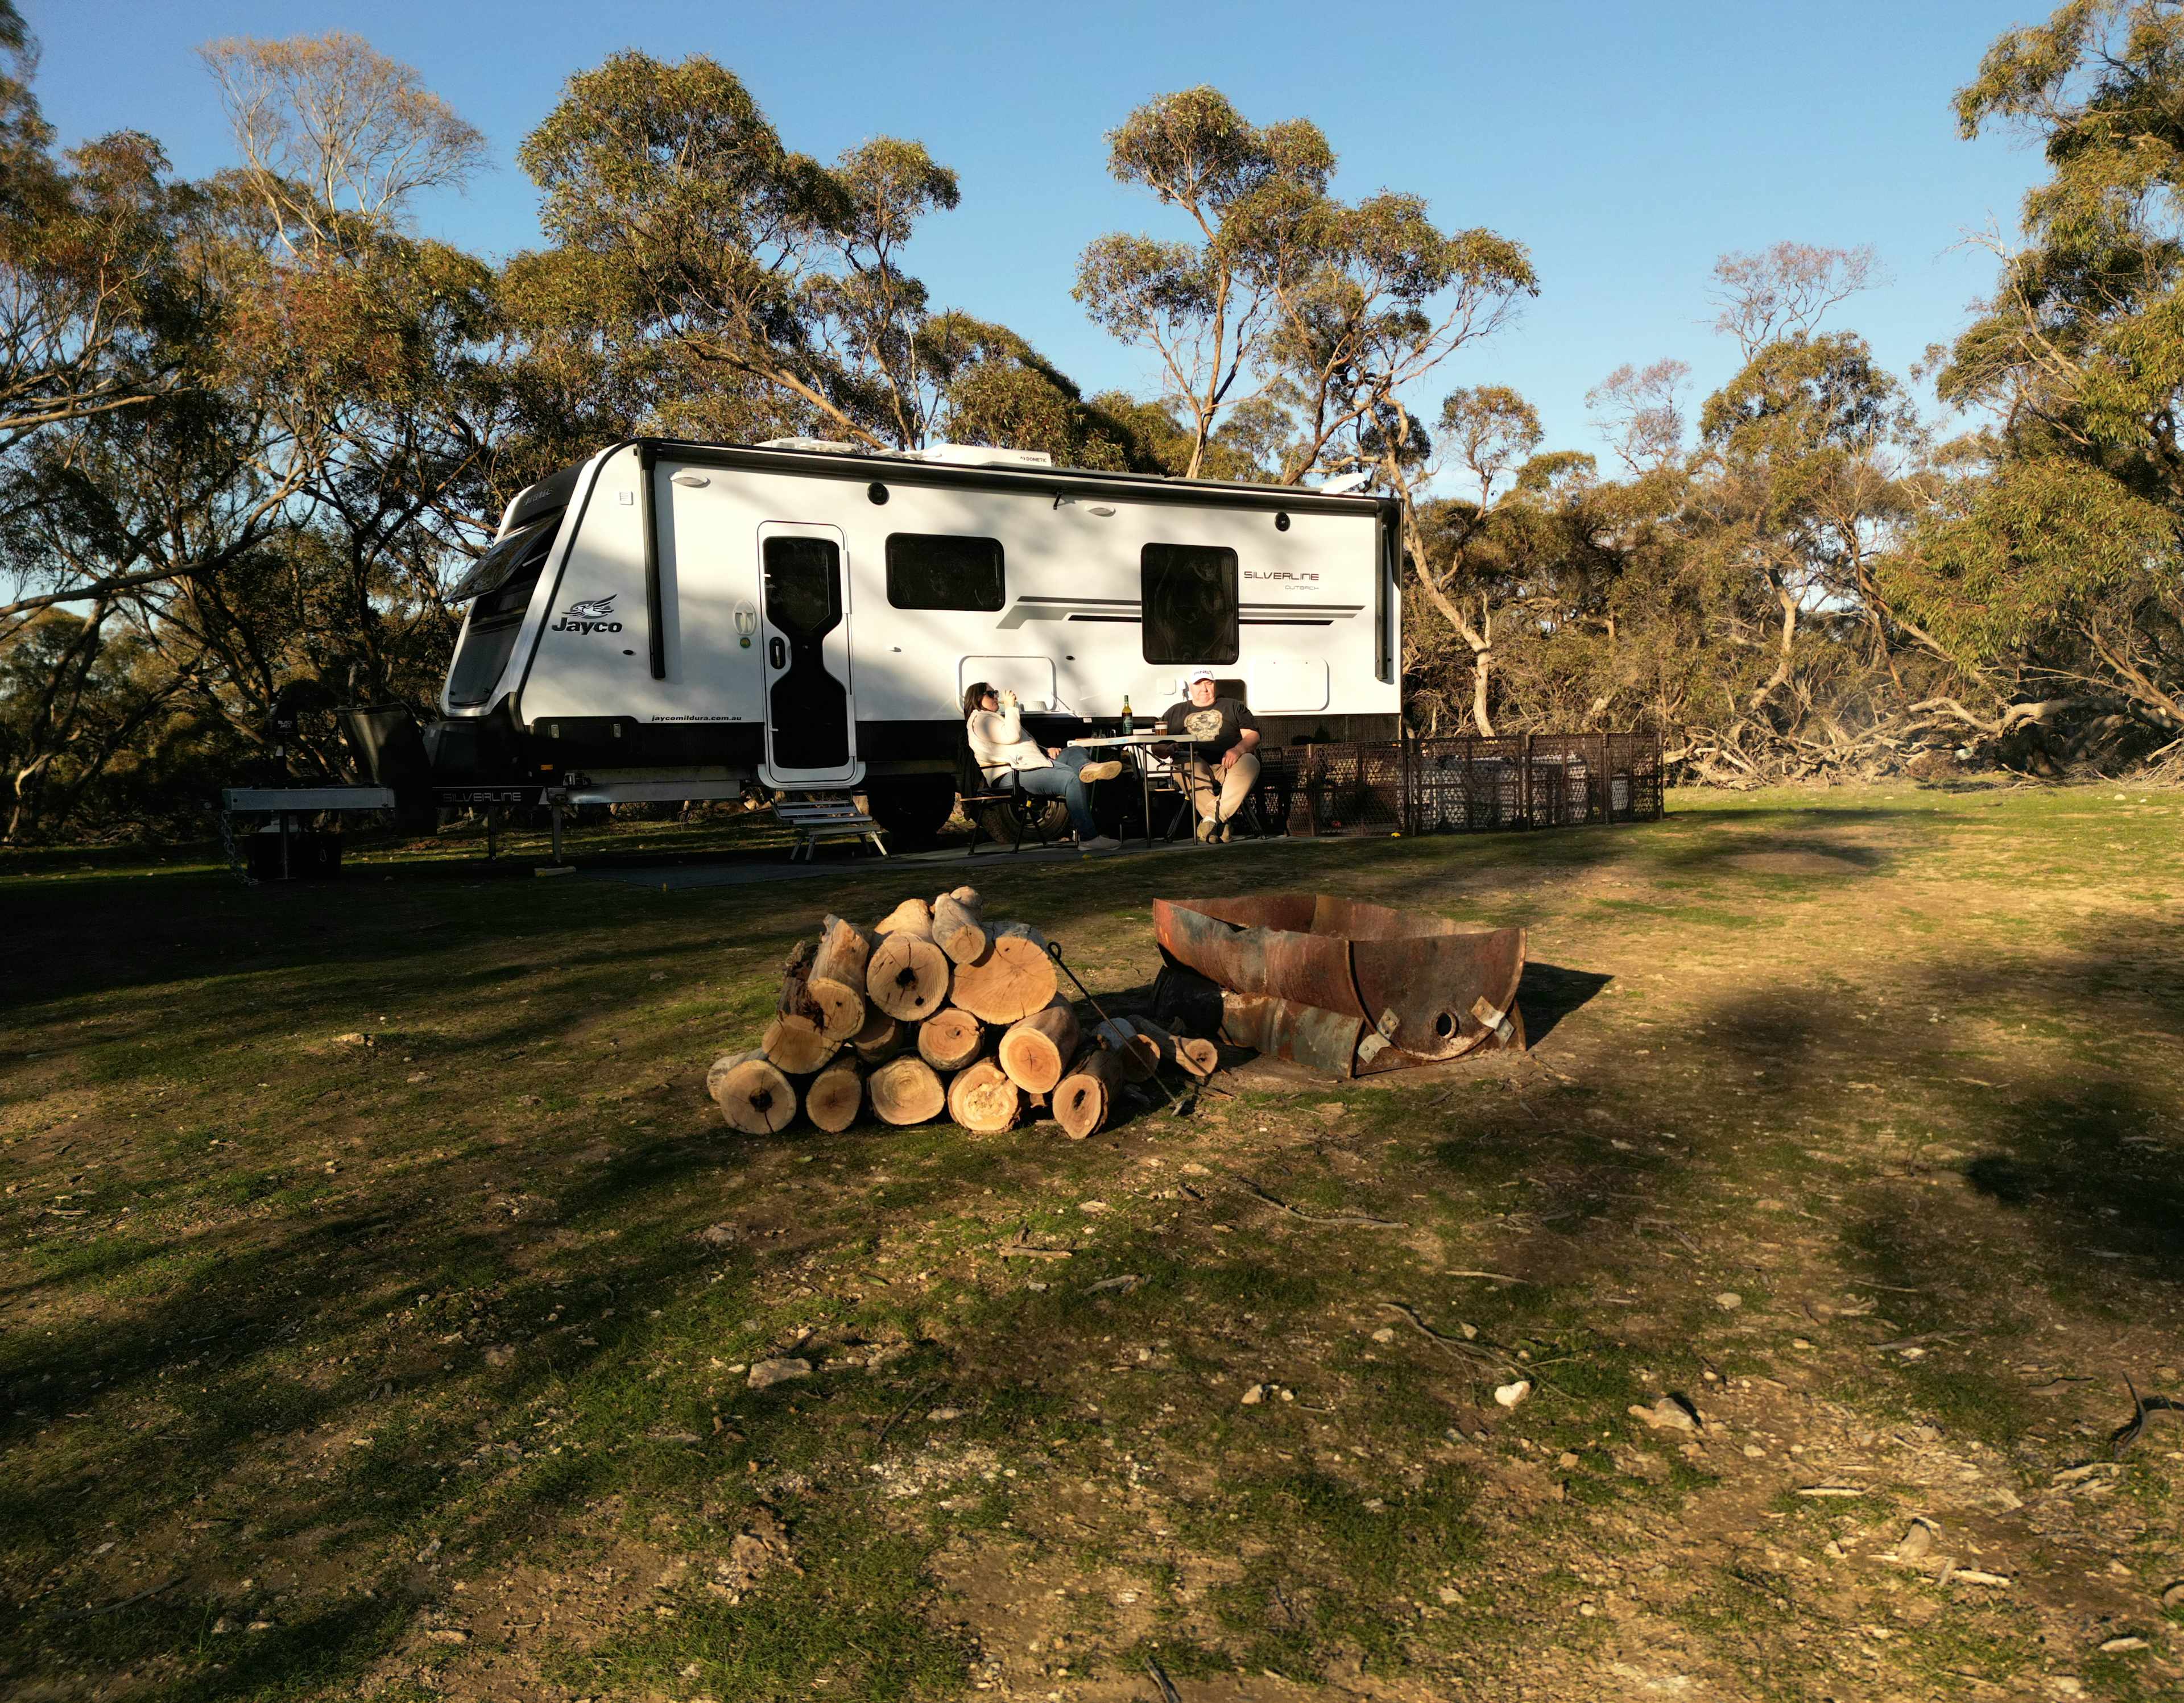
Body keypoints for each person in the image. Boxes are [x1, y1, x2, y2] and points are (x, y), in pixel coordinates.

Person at [963, 682, 1123, 851]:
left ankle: (1087, 767)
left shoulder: (991, 718)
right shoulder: (981, 720)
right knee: (1071, 779)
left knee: (1075, 751)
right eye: (991, 694)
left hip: (1030, 764)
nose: (996, 697)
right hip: (1013, 773)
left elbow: (1017, 745)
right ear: (977, 698)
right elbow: (1012, 736)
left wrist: (1046, 751)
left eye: (995, 693)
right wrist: (1011, 708)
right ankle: (1089, 838)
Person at [1158, 668, 1260, 842]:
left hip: (1229, 763)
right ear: (1190, 687)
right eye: (1198, 684)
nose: (1204, 688)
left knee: (1250, 763)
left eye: (1208, 683)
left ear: (1215, 685)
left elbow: (1253, 736)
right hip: (1193, 761)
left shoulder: (1233, 706)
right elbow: (1157, 748)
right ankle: (1220, 822)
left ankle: (1211, 820)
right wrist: (1168, 750)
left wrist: (1238, 750)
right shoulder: (1175, 712)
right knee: (1183, 767)